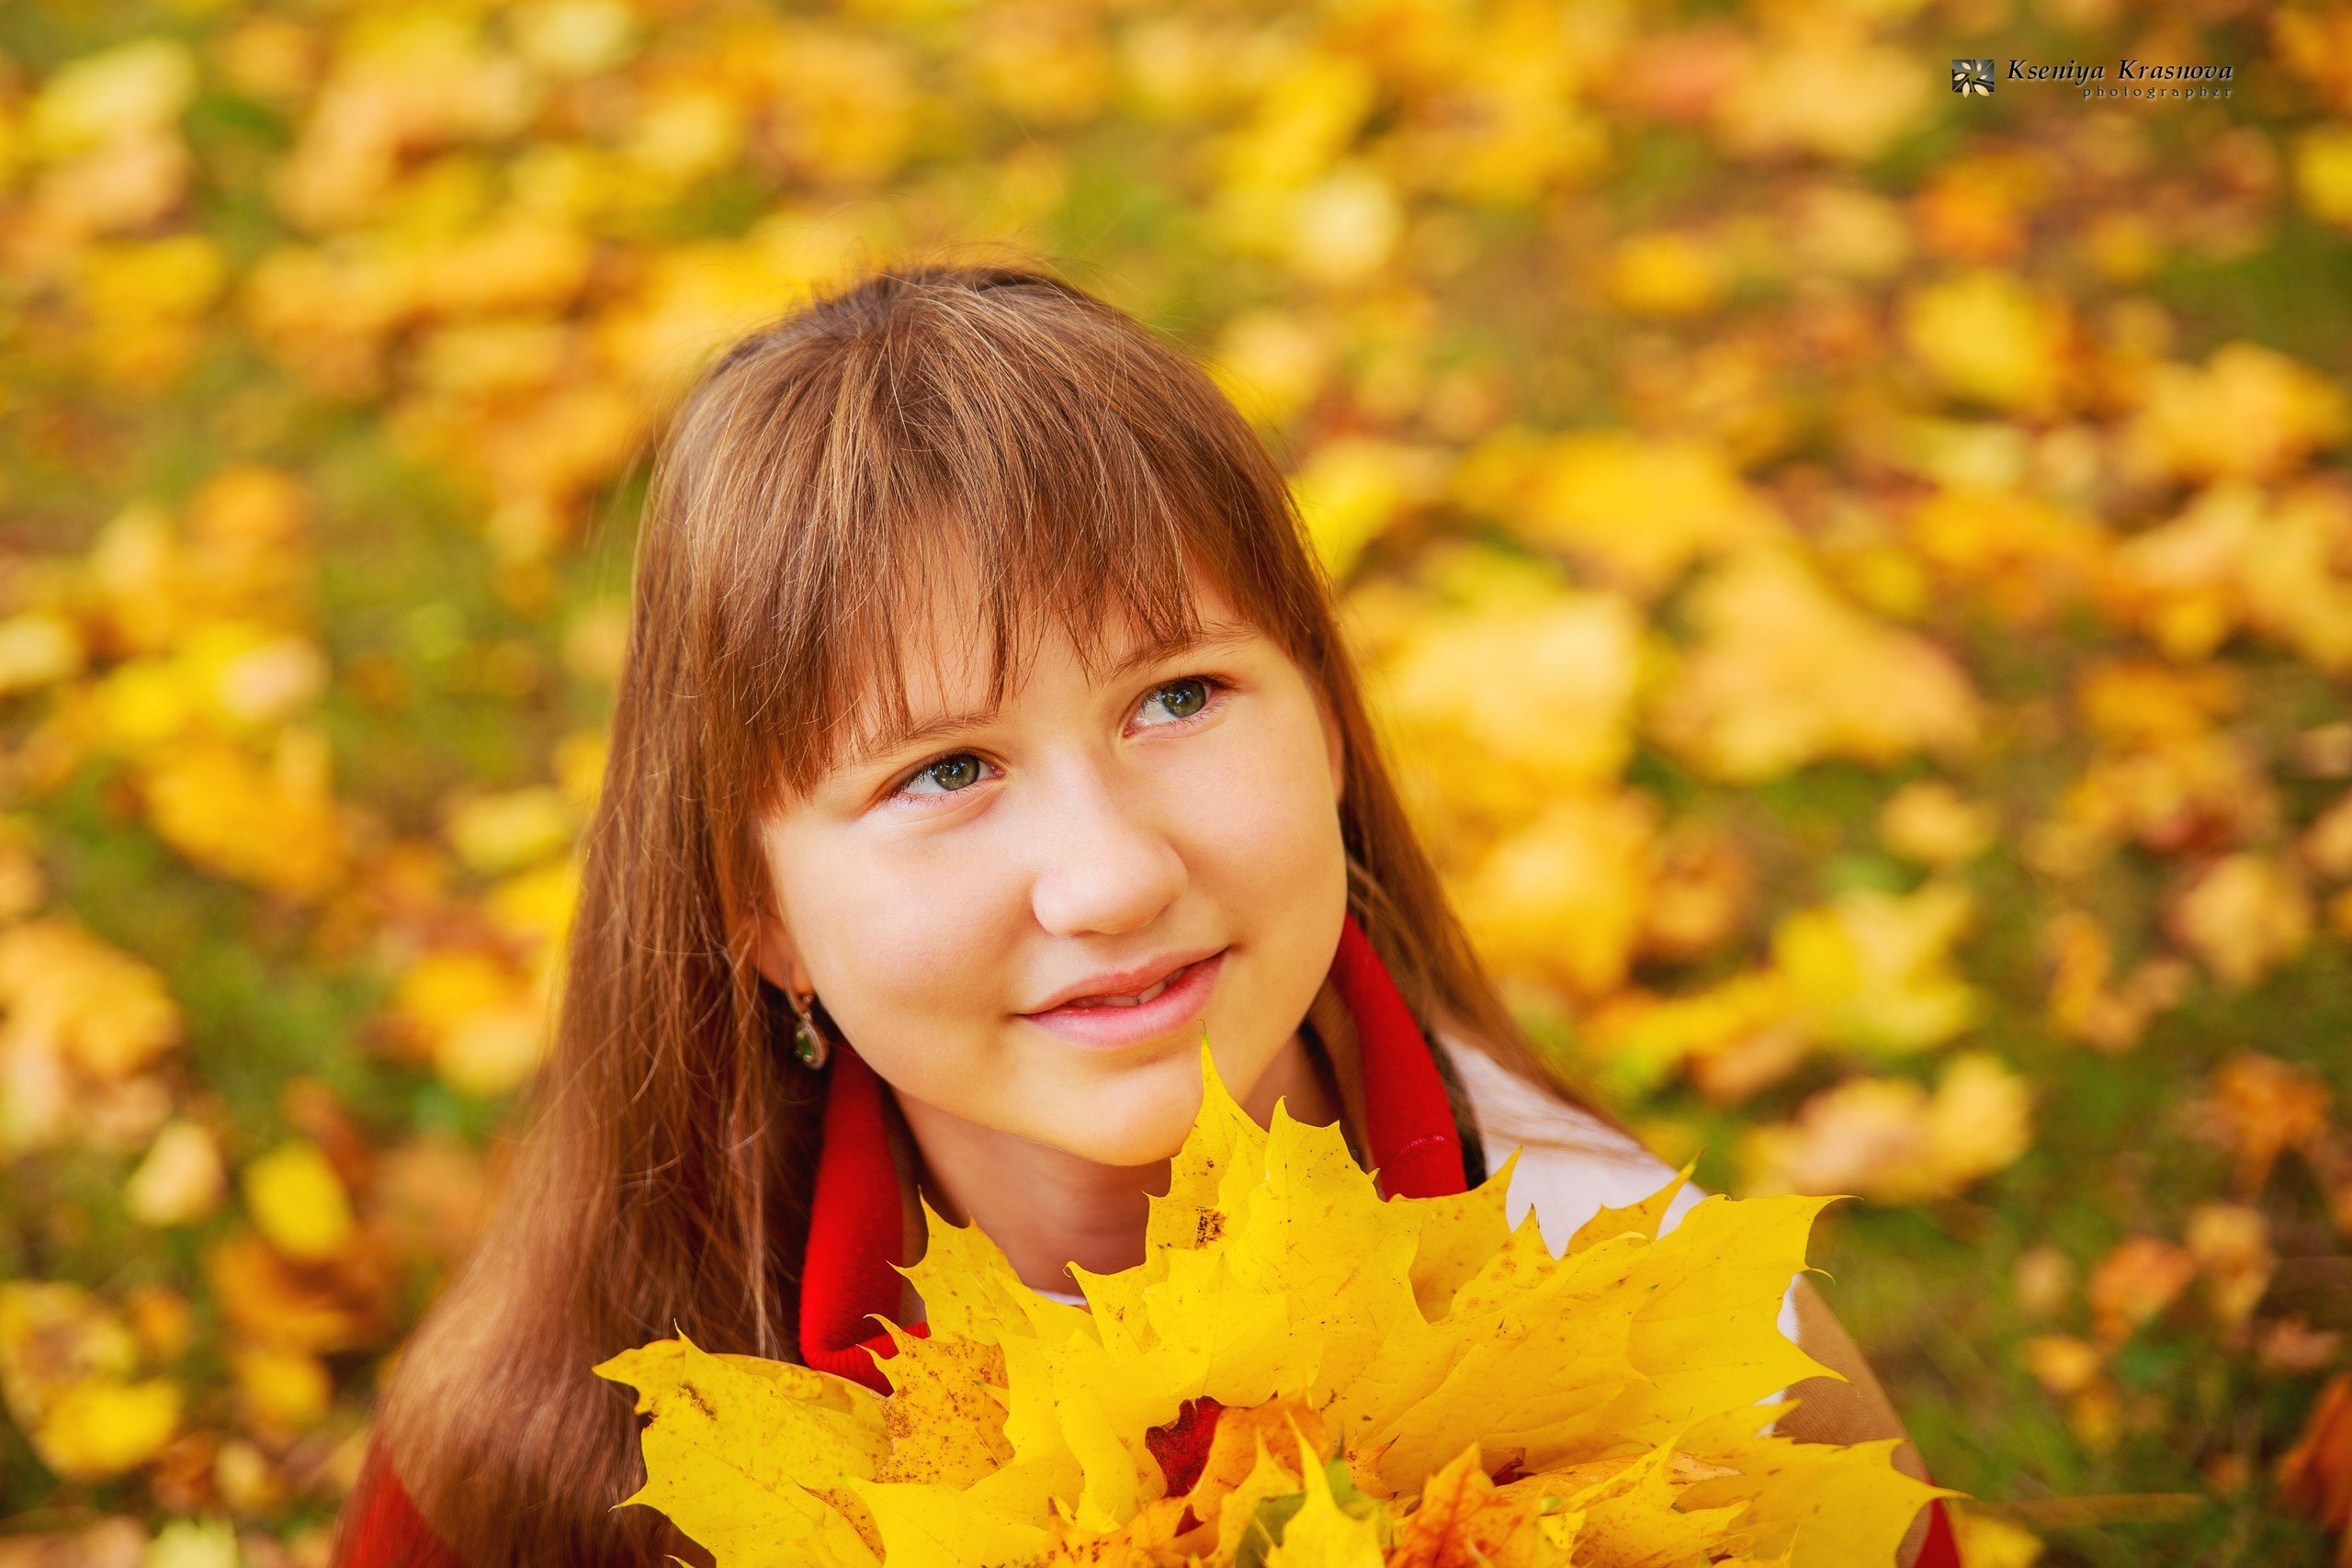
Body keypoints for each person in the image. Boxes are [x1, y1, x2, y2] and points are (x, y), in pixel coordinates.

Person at [332, 263, 1962, 1568]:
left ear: (1328, 725)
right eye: (943, 770)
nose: (1109, 877)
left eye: (1179, 696)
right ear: (758, 913)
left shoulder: (1690, 1350)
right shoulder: (555, 1442)